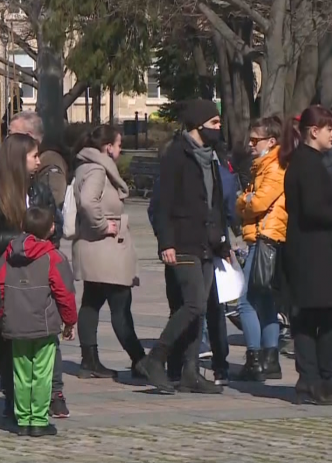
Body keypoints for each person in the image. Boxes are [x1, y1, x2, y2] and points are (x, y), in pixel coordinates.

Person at [137, 99, 229, 395]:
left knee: (199, 311)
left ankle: (189, 371)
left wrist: (221, 240)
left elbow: (215, 203)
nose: (219, 128)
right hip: (183, 242)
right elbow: (162, 203)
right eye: (214, 123)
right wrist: (166, 242)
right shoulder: (177, 154)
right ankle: (155, 359)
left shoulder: (212, 156)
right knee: (193, 304)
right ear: (198, 125)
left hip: (206, 244)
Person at [0, 133, 68, 425]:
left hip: (34, 274)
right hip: (5, 272)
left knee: (27, 337)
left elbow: (52, 224)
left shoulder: (39, 190)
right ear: (19, 159)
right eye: (34, 156)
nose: (39, 161)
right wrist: (22, 239)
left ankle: (25, 401)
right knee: (6, 335)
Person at [282, 105, 332, 405]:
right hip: (312, 253)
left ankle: (324, 375)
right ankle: (310, 379)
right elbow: (313, 208)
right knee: (314, 315)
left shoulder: (313, 161)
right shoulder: (306, 163)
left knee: (331, 313)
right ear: (314, 132)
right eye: (329, 129)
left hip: (321, 250)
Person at [71, 125, 147, 378]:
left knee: (92, 302)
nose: (120, 149)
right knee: (120, 303)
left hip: (95, 247)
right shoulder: (96, 169)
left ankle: (89, 360)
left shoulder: (85, 166)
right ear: (107, 147)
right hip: (105, 247)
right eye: (118, 144)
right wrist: (104, 225)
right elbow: (87, 202)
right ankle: (140, 360)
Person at [0, 207, 77, 437]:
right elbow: (65, 293)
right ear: (51, 229)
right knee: (42, 373)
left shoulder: (8, 254)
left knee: (21, 373)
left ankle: (23, 419)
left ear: (22, 227)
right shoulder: (53, 256)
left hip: (16, 323)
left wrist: (4, 315)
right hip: (44, 324)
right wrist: (70, 322)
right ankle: (39, 420)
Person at [234, 116, 288, 381]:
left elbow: (257, 203)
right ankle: (271, 358)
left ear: (271, 141)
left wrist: (244, 199)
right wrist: (248, 200)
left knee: (246, 301)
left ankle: (255, 357)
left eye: (256, 140)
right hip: (263, 236)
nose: (251, 144)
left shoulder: (274, 166)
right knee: (265, 300)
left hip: (265, 237)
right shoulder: (262, 166)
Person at [9, 111, 70, 208]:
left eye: (13, 135)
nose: (8, 140)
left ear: (28, 136)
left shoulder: (50, 160)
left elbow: (54, 203)